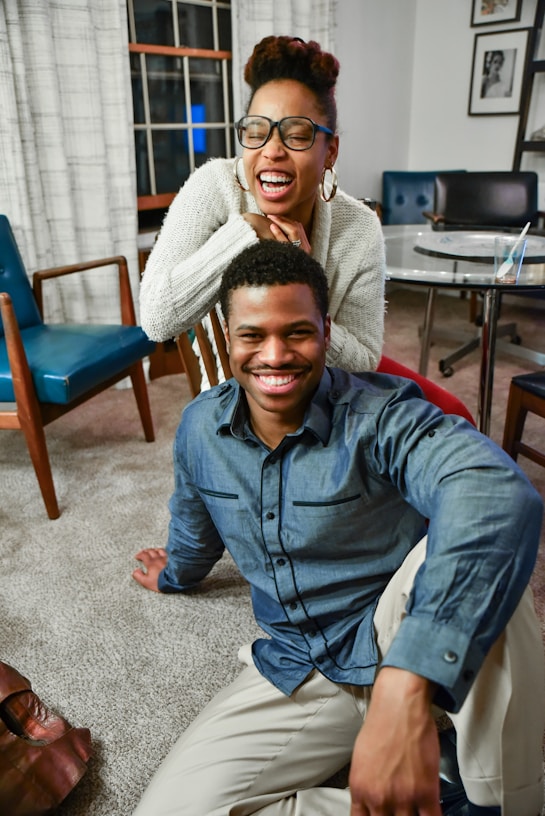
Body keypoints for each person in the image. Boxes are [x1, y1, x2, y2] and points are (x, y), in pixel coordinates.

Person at [132, 240, 545, 816]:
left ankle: (500, 802)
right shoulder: (200, 429)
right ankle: (429, 799)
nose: (274, 355)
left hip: (400, 636)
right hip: (306, 663)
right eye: (252, 335)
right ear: (228, 337)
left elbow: (495, 491)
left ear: (326, 330)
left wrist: (405, 683)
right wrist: (175, 573)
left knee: (476, 547)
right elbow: (195, 520)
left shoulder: (381, 415)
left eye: (297, 332)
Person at [139, 35, 385, 375]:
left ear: (330, 151)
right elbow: (156, 319)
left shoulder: (359, 227)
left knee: (447, 412)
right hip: (236, 403)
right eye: (256, 132)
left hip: (332, 394)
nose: (271, 151)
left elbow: (365, 361)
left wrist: (305, 294)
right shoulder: (214, 186)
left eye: (297, 134)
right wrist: (245, 233)